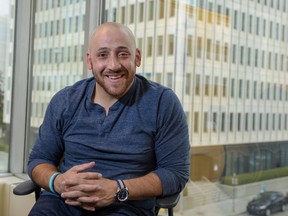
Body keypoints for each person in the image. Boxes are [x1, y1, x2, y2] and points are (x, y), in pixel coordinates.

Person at [27, 22, 190, 216]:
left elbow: (175, 173)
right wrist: (58, 182)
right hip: (62, 203)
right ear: (90, 61)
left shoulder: (162, 102)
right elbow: (39, 160)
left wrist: (117, 189)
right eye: (103, 55)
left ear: (137, 57)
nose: (113, 65)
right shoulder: (65, 101)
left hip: (126, 206)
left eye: (123, 54)